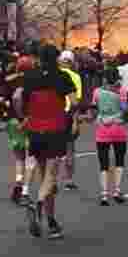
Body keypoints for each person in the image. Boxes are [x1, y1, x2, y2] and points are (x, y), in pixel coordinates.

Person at [16, 44, 77, 240]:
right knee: (51, 175)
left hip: (35, 130)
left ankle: (51, 221)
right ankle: (40, 203)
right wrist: (68, 114)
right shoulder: (62, 77)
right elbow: (74, 102)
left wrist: (24, 116)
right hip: (55, 129)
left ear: (40, 58)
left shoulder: (30, 77)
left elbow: (18, 97)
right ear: (57, 59)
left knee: (43, 174)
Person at [90, 67, 128, 205]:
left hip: (102, 129)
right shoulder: (122, 91)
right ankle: (117, 190)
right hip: (118, 129)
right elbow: (125, 110)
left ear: (105, 79)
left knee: (103, 163)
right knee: (119, 160)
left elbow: (93, 111)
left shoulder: (97, 92)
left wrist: (99, 117)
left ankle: (104, 194)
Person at [5, 54, 34, 204]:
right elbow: (18, 97)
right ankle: (25, 191)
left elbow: (5, 99)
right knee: (30, 158)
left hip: (12, 122)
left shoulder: (10, 80)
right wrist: (24, 117)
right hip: (27, 121)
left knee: (19, 158)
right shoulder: (33, 81)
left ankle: (18, 181)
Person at [57, 50, 83, 191]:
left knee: (53, 149)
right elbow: (76, 101)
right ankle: (69, 179)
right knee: (69, 149)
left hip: (54, 114)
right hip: (68, 114)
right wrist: (75, 121)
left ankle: (51, 177)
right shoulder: (76, 77)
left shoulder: (54, 75)